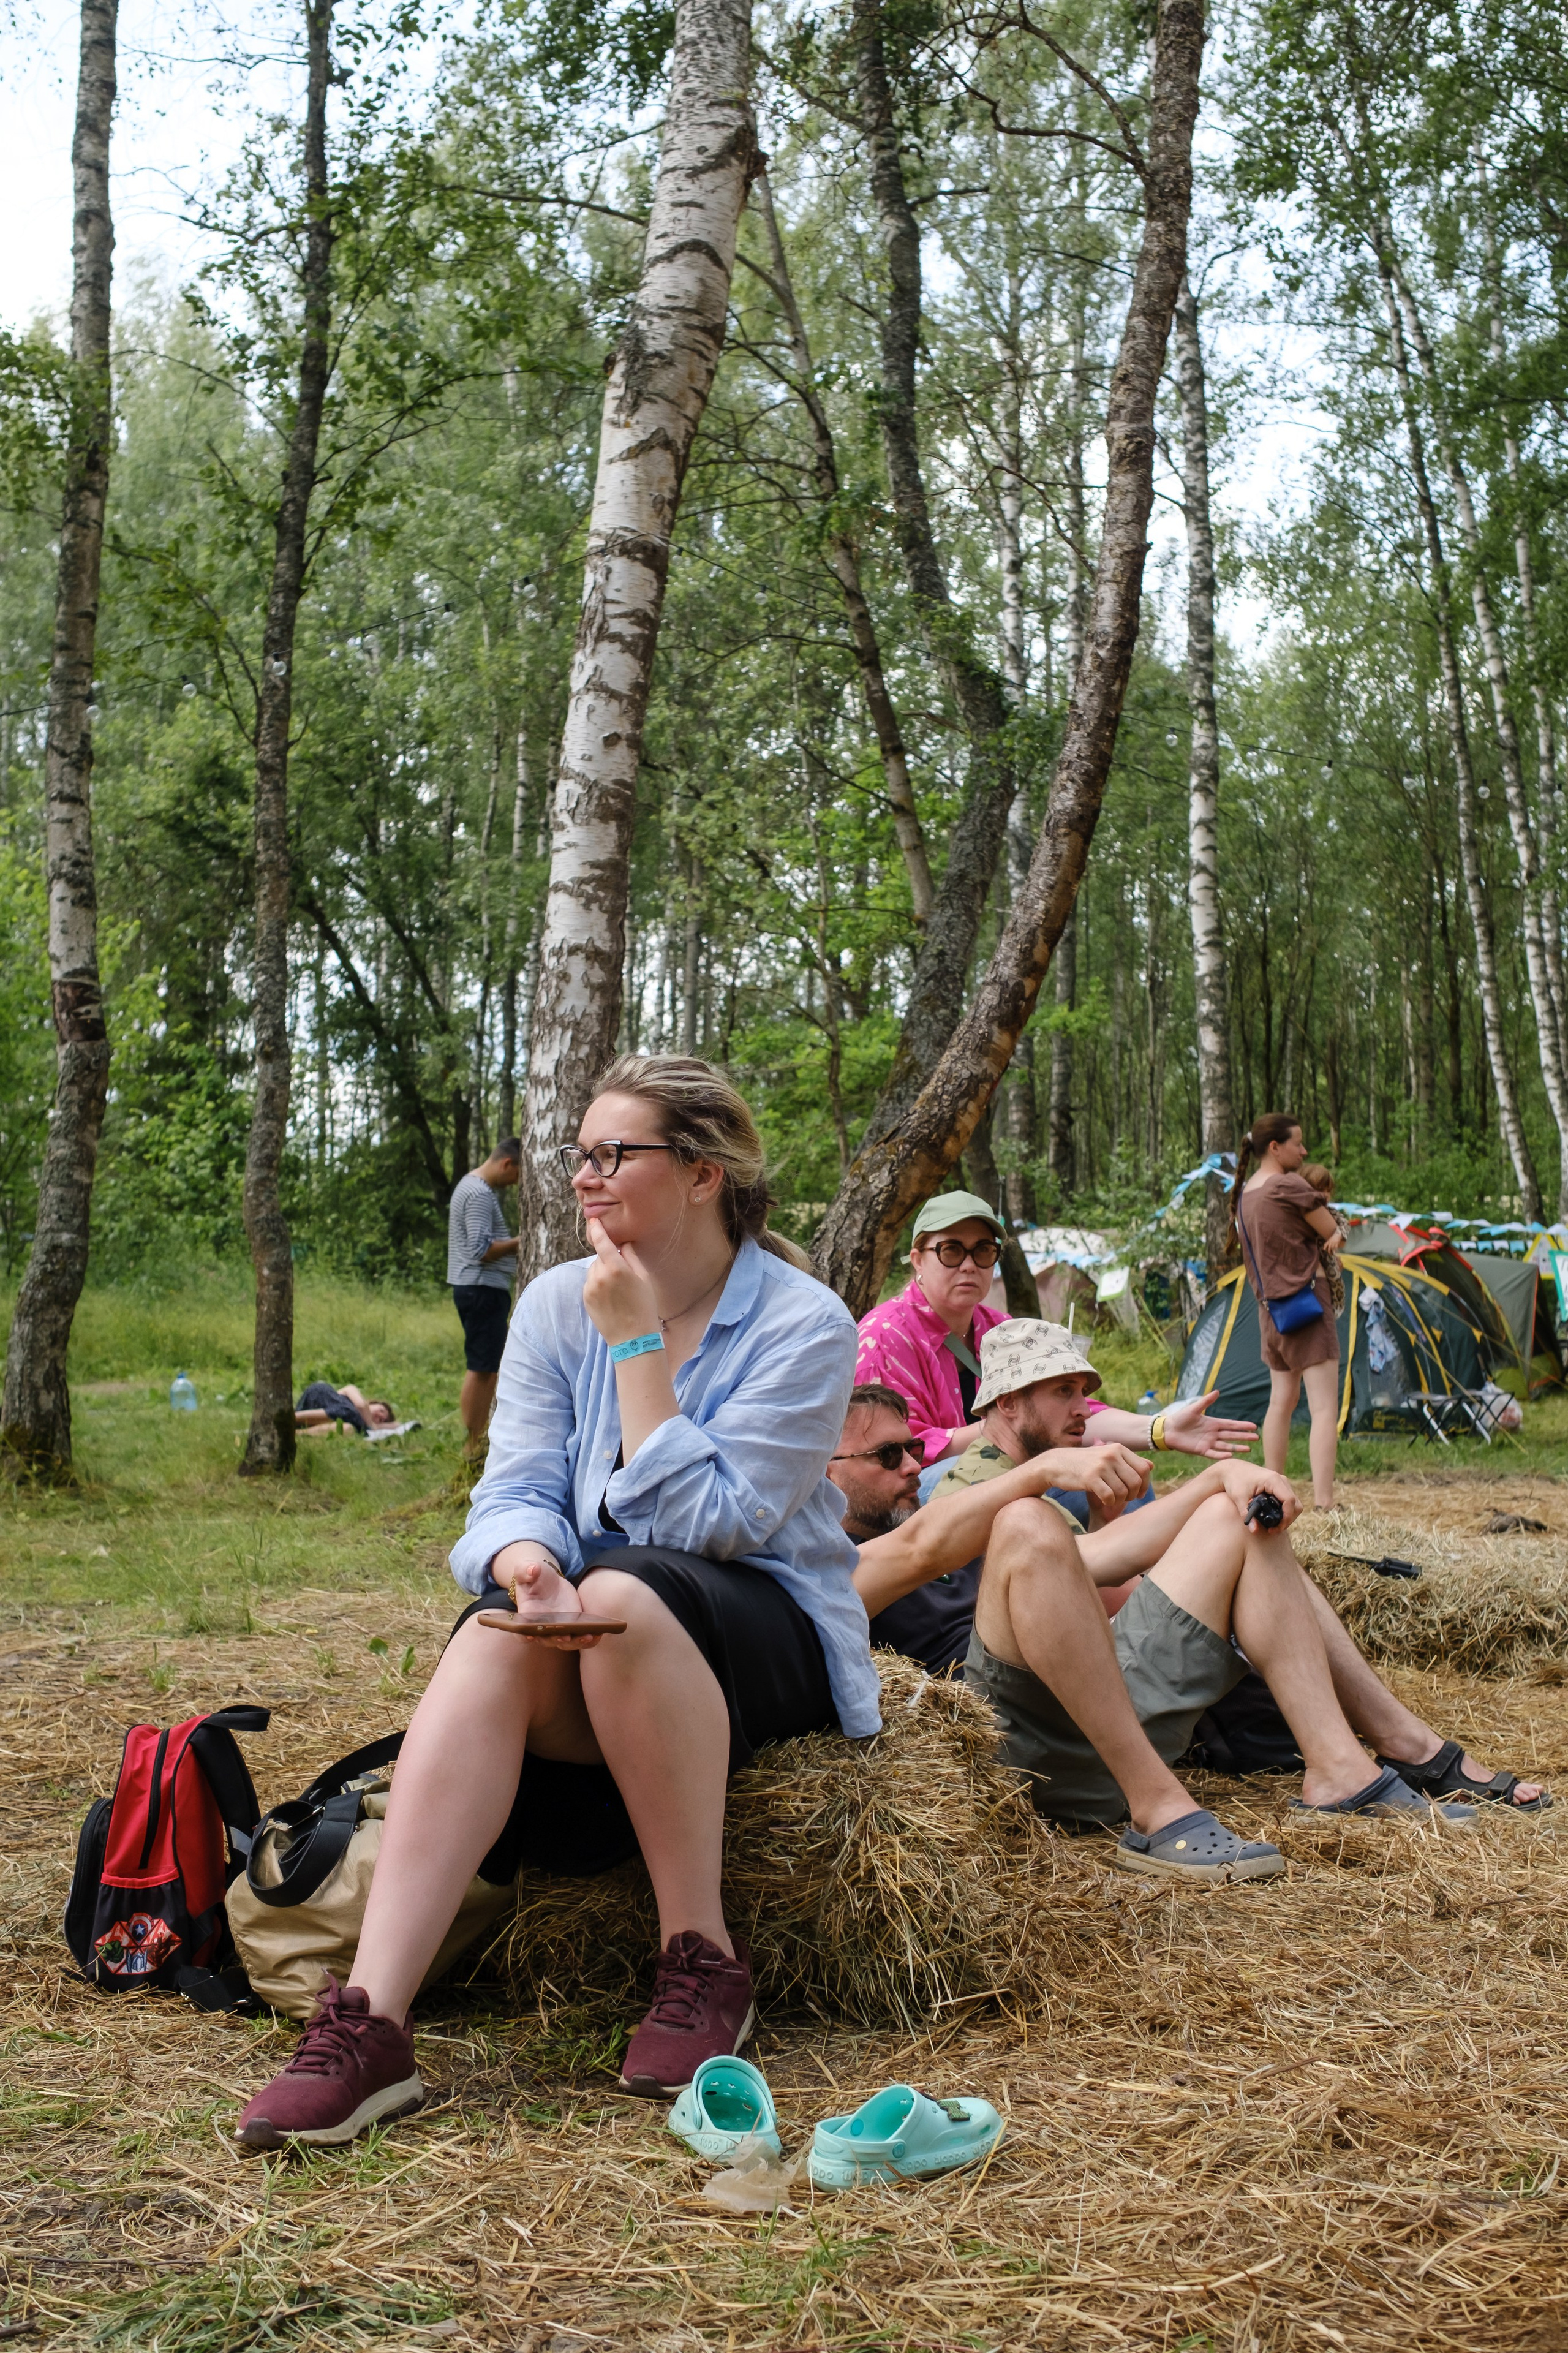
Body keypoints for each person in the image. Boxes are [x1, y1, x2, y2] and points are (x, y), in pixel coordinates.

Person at [234, 1055, 878, 2150]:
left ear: (702, 1174)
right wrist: (528, 1565)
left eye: (612, 1154)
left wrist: (634, 1345)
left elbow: (713, 1527)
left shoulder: (806, 1325)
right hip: (602, 1648)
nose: (582, 1177)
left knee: (627, 1581)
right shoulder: (546, 1305)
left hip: (759, 1649)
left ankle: (703, 1958)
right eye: (578, 1153)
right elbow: (514, 1490)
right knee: (496, 1635)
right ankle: (370, 2024)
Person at [842, 1322, 1548, 1869]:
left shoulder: (944, 1508)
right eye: (887, 1457)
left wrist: (1216, 1484)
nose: (913, 1466)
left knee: (1238, 1518)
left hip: (1106, 1706)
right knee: (1034, 1522)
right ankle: (1364, 1756)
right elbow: (1089, 1569)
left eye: (913, 1450)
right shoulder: (912, 1523)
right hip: (1019, 1735)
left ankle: (1344, 1765)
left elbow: (1093, 1565)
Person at [854, 1188, 1260, 1467]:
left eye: (983, 1250)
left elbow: (1074, 1415)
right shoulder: (884, 1338)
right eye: (950, 1250)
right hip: (918, 1503)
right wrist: (1014, 1432)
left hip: (997, 1476)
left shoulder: (1003, 1328)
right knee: (1070, 1483)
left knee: (1118, 1467)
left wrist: (1159, 1428)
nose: (968, 1264)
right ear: (917, 1259)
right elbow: (901, 1457)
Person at [1231, 1112, 1345, 1509]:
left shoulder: (1246, 1195)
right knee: (1324, 1407)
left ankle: (1273, 1490)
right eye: (1298, 1143)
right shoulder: (1288, 1185)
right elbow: (1330, 1230)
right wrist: (1337, 1235)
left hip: (1270, 1312)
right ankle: (1326, 1502)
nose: (1305, 1150)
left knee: (1280, 1401)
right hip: (1308, 1304)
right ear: (1275, 1147)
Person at [447, 1138, 522, 1455]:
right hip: (481, 1289)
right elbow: (481, 1250)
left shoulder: (471, 1186)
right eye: (517, 1175)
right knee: (482, 1368)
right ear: (507, 1164)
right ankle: (473, 1444)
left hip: (477, 1288)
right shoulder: (479, 1194)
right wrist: (524, 1238)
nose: (515, 1183)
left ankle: (477, 1438)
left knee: (488, 1365)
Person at [1301, 1163, 1346, 1315]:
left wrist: (1337, 1235)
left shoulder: (1330, 1212)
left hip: (1326, 1268)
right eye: (1320, 1190)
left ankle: (1334, 1312)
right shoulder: (1299, 1212)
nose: (1326, 1195)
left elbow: (1344, 1224)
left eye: (1328, 1191)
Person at [295, 1382, 395, 1436]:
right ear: (373, 1403)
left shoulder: (358, 1424)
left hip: (315, 1421)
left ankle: (295, 1434)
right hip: (318, 1396)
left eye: (381, 1420)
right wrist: (373, 1426)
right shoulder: (353, 1393)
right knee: (349, 1412)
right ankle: (288, 1418)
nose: (380, 1415)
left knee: (348, 1429)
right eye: (382, 1410)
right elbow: (361, 1405)